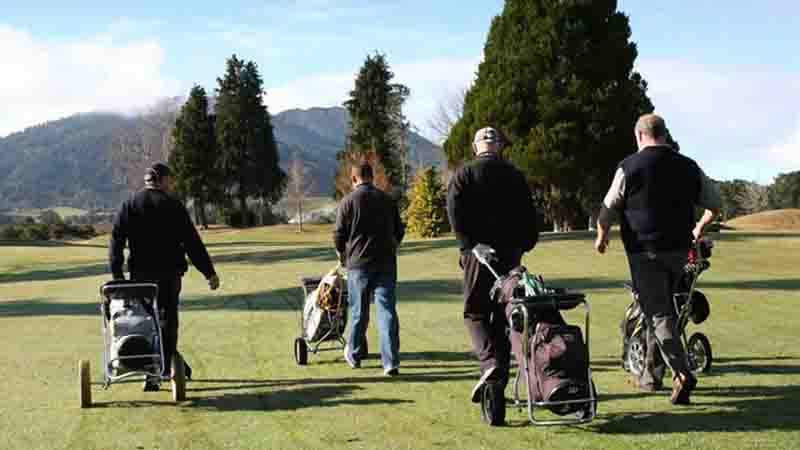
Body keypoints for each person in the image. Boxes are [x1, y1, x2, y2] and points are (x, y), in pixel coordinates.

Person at [595, 113, 721, 405]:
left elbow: (608, 207)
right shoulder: (689, 166)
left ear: (639, 136)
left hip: (644, 252)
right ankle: (651, 377)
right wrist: (699, 228)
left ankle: (682, 372)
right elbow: (716, 205)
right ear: (664, 134)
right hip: (679, 251)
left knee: (659, 313)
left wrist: (602, 236)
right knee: (662, 309)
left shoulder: (629, 166)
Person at [446, 127, 539, 414]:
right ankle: (497, 376)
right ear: (499, 146)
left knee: (474, 312)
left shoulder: (463, 174)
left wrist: (468, 244)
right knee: (503, 314)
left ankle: (490, 365)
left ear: (476, 148)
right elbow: (529, 214)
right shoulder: (515, 175)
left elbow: (454, 212)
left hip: (478, 254)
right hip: (511, 253)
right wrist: (524, 244)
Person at [110, 162, 220, 391]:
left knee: (147, 321)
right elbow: (192, 243)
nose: (172, 183)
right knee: (169, 322)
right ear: (162, 180)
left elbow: (116, 241)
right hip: (169, 276)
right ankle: (162, 368)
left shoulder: (130, 204)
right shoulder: (174, 205)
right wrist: (208, 272)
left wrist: (118, 274)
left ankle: (152, 369)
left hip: (140, 278)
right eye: (170, 179)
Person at [334, 162, 405, 376]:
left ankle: (354, 354)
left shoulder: (347, 202)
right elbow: (399, 231)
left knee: (359, 312)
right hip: (386, 263)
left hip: (358, 264)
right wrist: (392, 245)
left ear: (353, 178)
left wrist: (342, 253)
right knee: (387, 312)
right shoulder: (387, 200)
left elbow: (339, 235)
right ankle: (390, 362)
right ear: (372, 177)